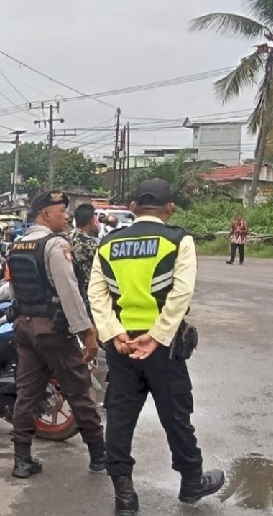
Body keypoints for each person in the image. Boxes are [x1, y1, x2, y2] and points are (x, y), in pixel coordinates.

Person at [89, 179, 224, 516]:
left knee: (119, 418)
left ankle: (124, 495)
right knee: (176, 416)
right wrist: (158, 335)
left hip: (121, 348)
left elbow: (97, 294)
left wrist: (114, 333)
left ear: (132, 208)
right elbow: (181, 293)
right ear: (170, 208)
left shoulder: (107, 243)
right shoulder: (179, 240)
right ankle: (192, 482)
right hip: (162, 349)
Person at [6, 190, 105, 480]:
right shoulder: (54, 245)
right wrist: (87, 331)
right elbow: (69, 293)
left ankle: (22, 459)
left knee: (26, 394)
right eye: (61, 210)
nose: (66, 215)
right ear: (45, 213)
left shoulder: (17, 245)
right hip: (53, 329)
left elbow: (14, 290)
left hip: (24, 327)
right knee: (78, 389)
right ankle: (99, 455)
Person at [67, 203, 100, 304]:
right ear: (92, 221)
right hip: (86, 294)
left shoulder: (65, 237)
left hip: (69, 291)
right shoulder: (88, 242)